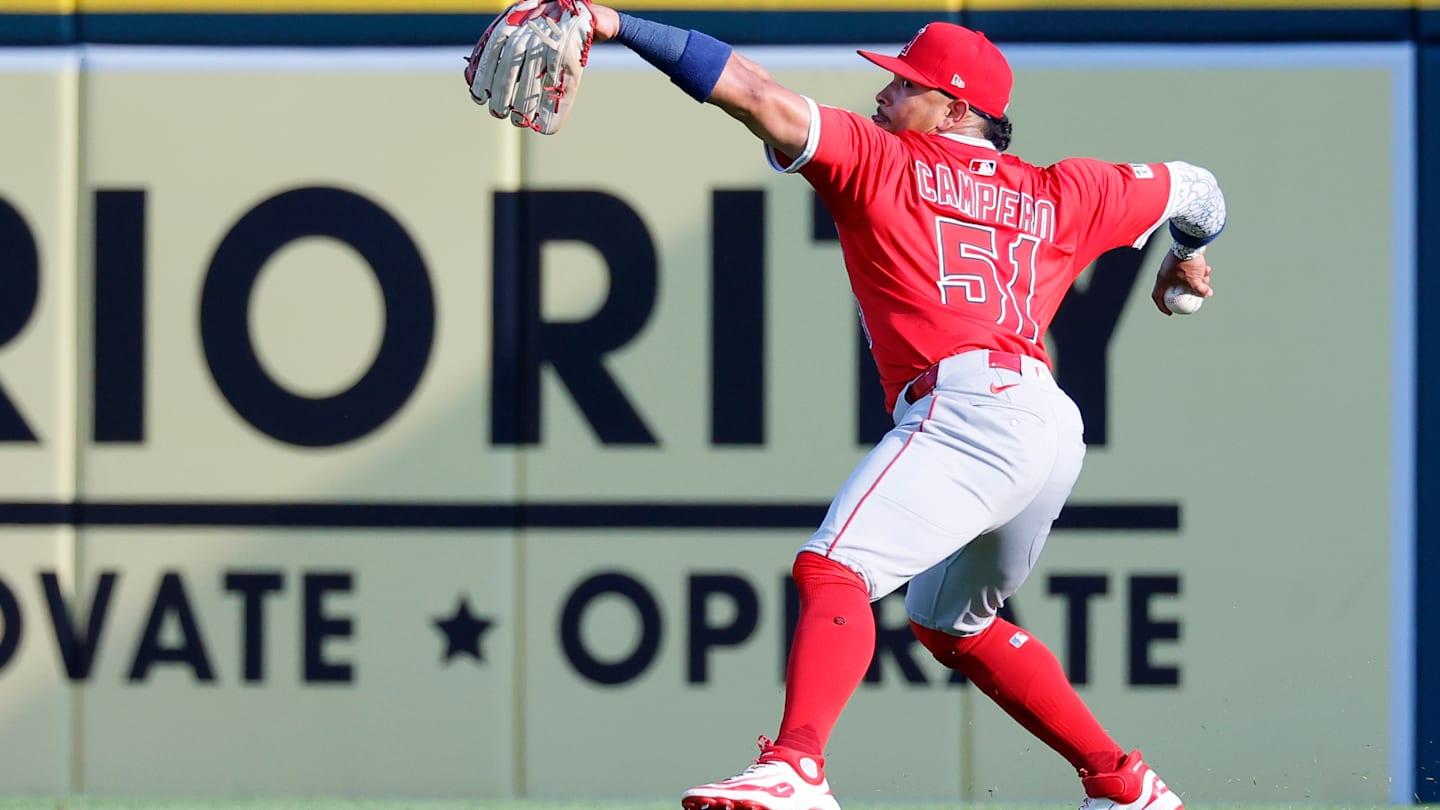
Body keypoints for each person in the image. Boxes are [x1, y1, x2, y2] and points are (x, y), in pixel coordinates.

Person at [585, 7, 1225, 810]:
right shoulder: (1070, 189)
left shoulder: (880, 158)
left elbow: (745, 87)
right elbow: (1201, 189)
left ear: (958, 110)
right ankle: (1121, 782)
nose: (884, 94)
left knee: (833, 566)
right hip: (1048, 425)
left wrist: (614, 22)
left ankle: (796, 767)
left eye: (904, 84)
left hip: (969, 408)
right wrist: (1186, 258)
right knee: (950, 621)